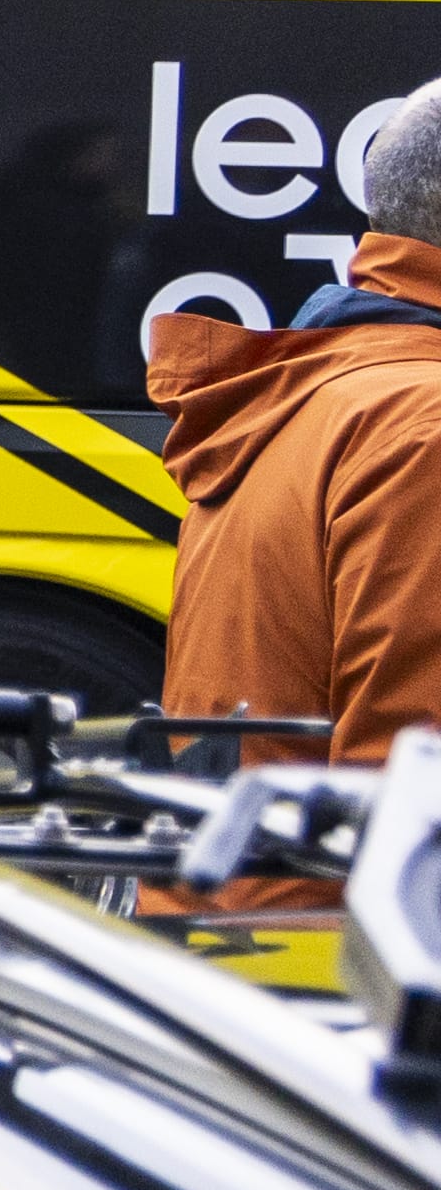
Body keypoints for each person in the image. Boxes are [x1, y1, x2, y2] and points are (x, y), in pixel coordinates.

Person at [154, 72, 441, 839]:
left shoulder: (326, 386)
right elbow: (416, 787)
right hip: (337, 936)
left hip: (250, 912)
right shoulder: (425, 421)